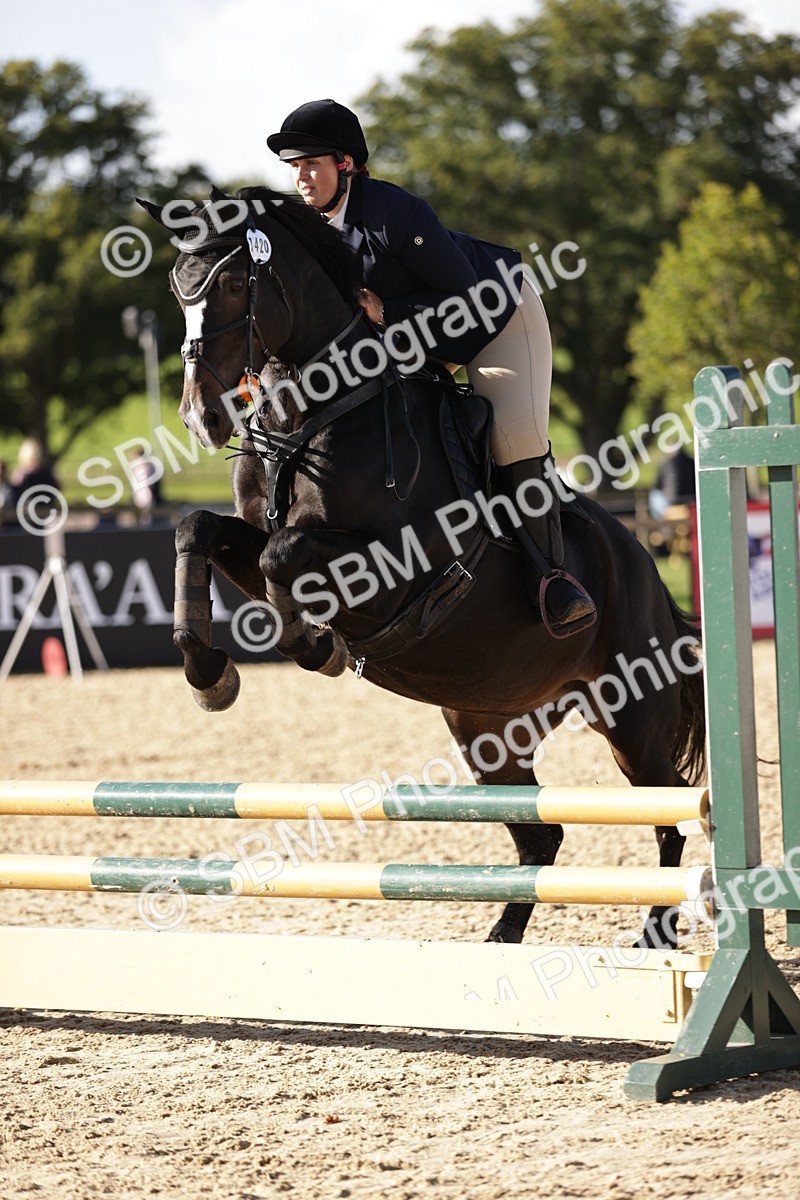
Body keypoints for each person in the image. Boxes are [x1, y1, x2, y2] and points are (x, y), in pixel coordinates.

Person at [266, 99, 596, 638]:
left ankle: (554, 580)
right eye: (294, 167)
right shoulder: (309, 228)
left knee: (511, 437)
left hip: (493, 318)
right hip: (408, 338)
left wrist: (390, 313)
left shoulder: (393, 212)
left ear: (346, 164)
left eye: (312, 164)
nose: (301, 177)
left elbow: (468, 297)